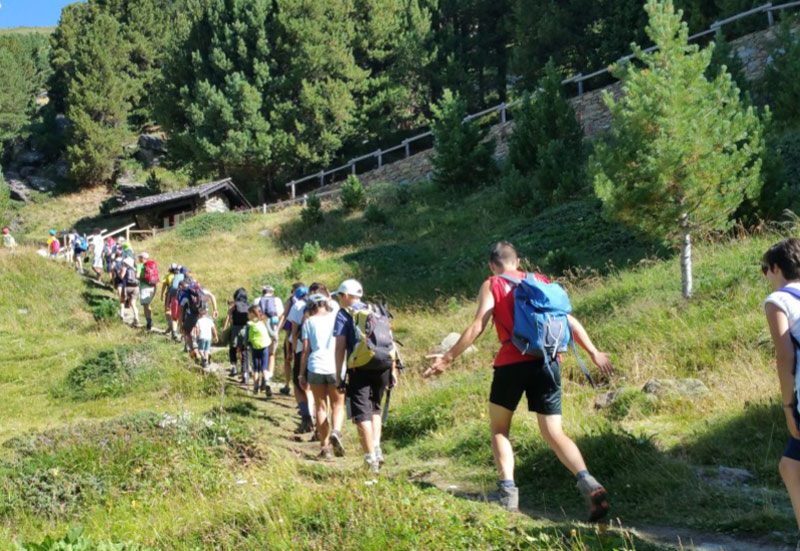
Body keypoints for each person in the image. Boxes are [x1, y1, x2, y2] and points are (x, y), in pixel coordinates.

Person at [424, 242, 613, 519]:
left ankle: (508, 494)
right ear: (518, 261)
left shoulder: (493, 284)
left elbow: (479, 324)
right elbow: (569, 321)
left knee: (500, 429)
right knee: (554, 433)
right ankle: (588, 481)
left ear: (492, 265)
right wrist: (594, 352)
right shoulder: (541, 282)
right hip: (548, 364)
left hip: (512, 364)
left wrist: (447, 358)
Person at [334, 279, 398, 474]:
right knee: (375, 409)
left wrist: (339, 375)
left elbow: (340, 347)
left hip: (359, 368)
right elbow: (391, 341)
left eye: (339, 295)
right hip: (384, 365)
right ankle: (376, 449)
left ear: (346, 296)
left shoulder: (344, 314)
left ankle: (370, 459)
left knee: (362, 413)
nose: (338, 299)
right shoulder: (376, 310)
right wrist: (393, 369)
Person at [762, 238, 800, 546]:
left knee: (791, 466)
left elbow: (785, 355)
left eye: (765, 269)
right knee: (791, 465)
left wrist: (788, 406)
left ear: (777, 268)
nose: (766, 276)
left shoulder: (779, 300)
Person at [299, 287, 346, 460]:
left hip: (315, 366)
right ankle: (336, 431)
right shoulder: (337, 318)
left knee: (320, 407)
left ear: (311, 307)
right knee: (338, 404)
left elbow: (305, 350)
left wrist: (301, 374)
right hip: (335, 366)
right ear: (326, 304)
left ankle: (325, 447)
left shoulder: (308, 322)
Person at [287, 285, 314, 433]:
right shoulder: (327, 306)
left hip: (301, 350)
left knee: (298, 384)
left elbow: (295, 331)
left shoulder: (297, 306)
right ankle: (317, 418)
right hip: (320, 352)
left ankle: (306, 417)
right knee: (313, 386)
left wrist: (290, 350)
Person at [279, 282, 305, 395]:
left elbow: (284, 316)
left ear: (295, 291)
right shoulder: (310, 303)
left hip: (291, 334)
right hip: (304, 337)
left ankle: (287, 384)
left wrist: (277, 329)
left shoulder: (292, 301)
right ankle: (301, 384)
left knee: (288, 360)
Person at [257, 285, 285, 385]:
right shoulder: (277, 300)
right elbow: (282, 315)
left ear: (263, 292)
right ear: (272, 292)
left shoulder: (257, 300)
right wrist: (277, 329)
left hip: (260, 329)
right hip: (273, 328)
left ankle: (261, 374)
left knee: (260, 353)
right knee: (271, 353)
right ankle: (269, 374)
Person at [223, 288, 251, 381]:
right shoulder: (248, 305)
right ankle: (245, 373)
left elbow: (229, 314)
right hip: (245, 329)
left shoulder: (235, 305)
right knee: (244, 351)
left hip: (235, 328)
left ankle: (234, 367)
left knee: (233, 348)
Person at [247, 305, 273, 396]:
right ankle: (267, 384)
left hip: (255, 348)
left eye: (248, 313)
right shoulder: (263, 322)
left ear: (252, 314)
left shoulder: (250, 324)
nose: (247, 315)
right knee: (264, 369)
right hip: (265, 347)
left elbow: (247, 338)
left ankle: (255, 387)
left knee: (256, 369)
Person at [137, 252, 159, 331]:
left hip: (144, 287)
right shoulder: (152, 265)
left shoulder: (140, 265)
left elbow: (137, 276)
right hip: (153, 286)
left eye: (139, 257)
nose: (138, 259)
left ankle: (149, 321)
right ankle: (150, 320)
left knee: (145, 305)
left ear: (142, 258)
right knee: (148, 304)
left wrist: (139, 279)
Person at [119, 256, 140, 326]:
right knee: (133, 303)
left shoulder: (125, 268)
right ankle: (136, 317)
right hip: (136, 287)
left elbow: (121, 276)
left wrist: (120, 273)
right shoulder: (135, 268)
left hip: (127, 286)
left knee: (122, 301)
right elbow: (137, 277)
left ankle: (121, 315)